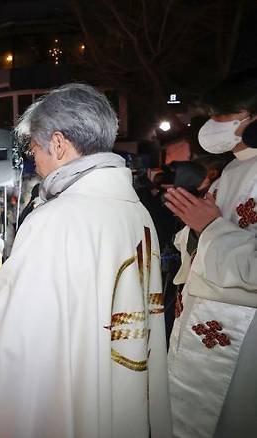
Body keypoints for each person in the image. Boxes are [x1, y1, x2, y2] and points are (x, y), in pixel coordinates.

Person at [0, 84, 171, 437]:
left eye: (35, 148)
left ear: (59, 144)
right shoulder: (138, 212)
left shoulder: (56, 220)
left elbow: (13, 335)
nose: (35, 160)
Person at [164, 73, 257, 437]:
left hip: (244, 330)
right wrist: (193, 224)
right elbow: (201, 241)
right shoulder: (231, 170)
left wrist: (211, 228)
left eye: (223, 115)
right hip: (199, 314)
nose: (212, 125)